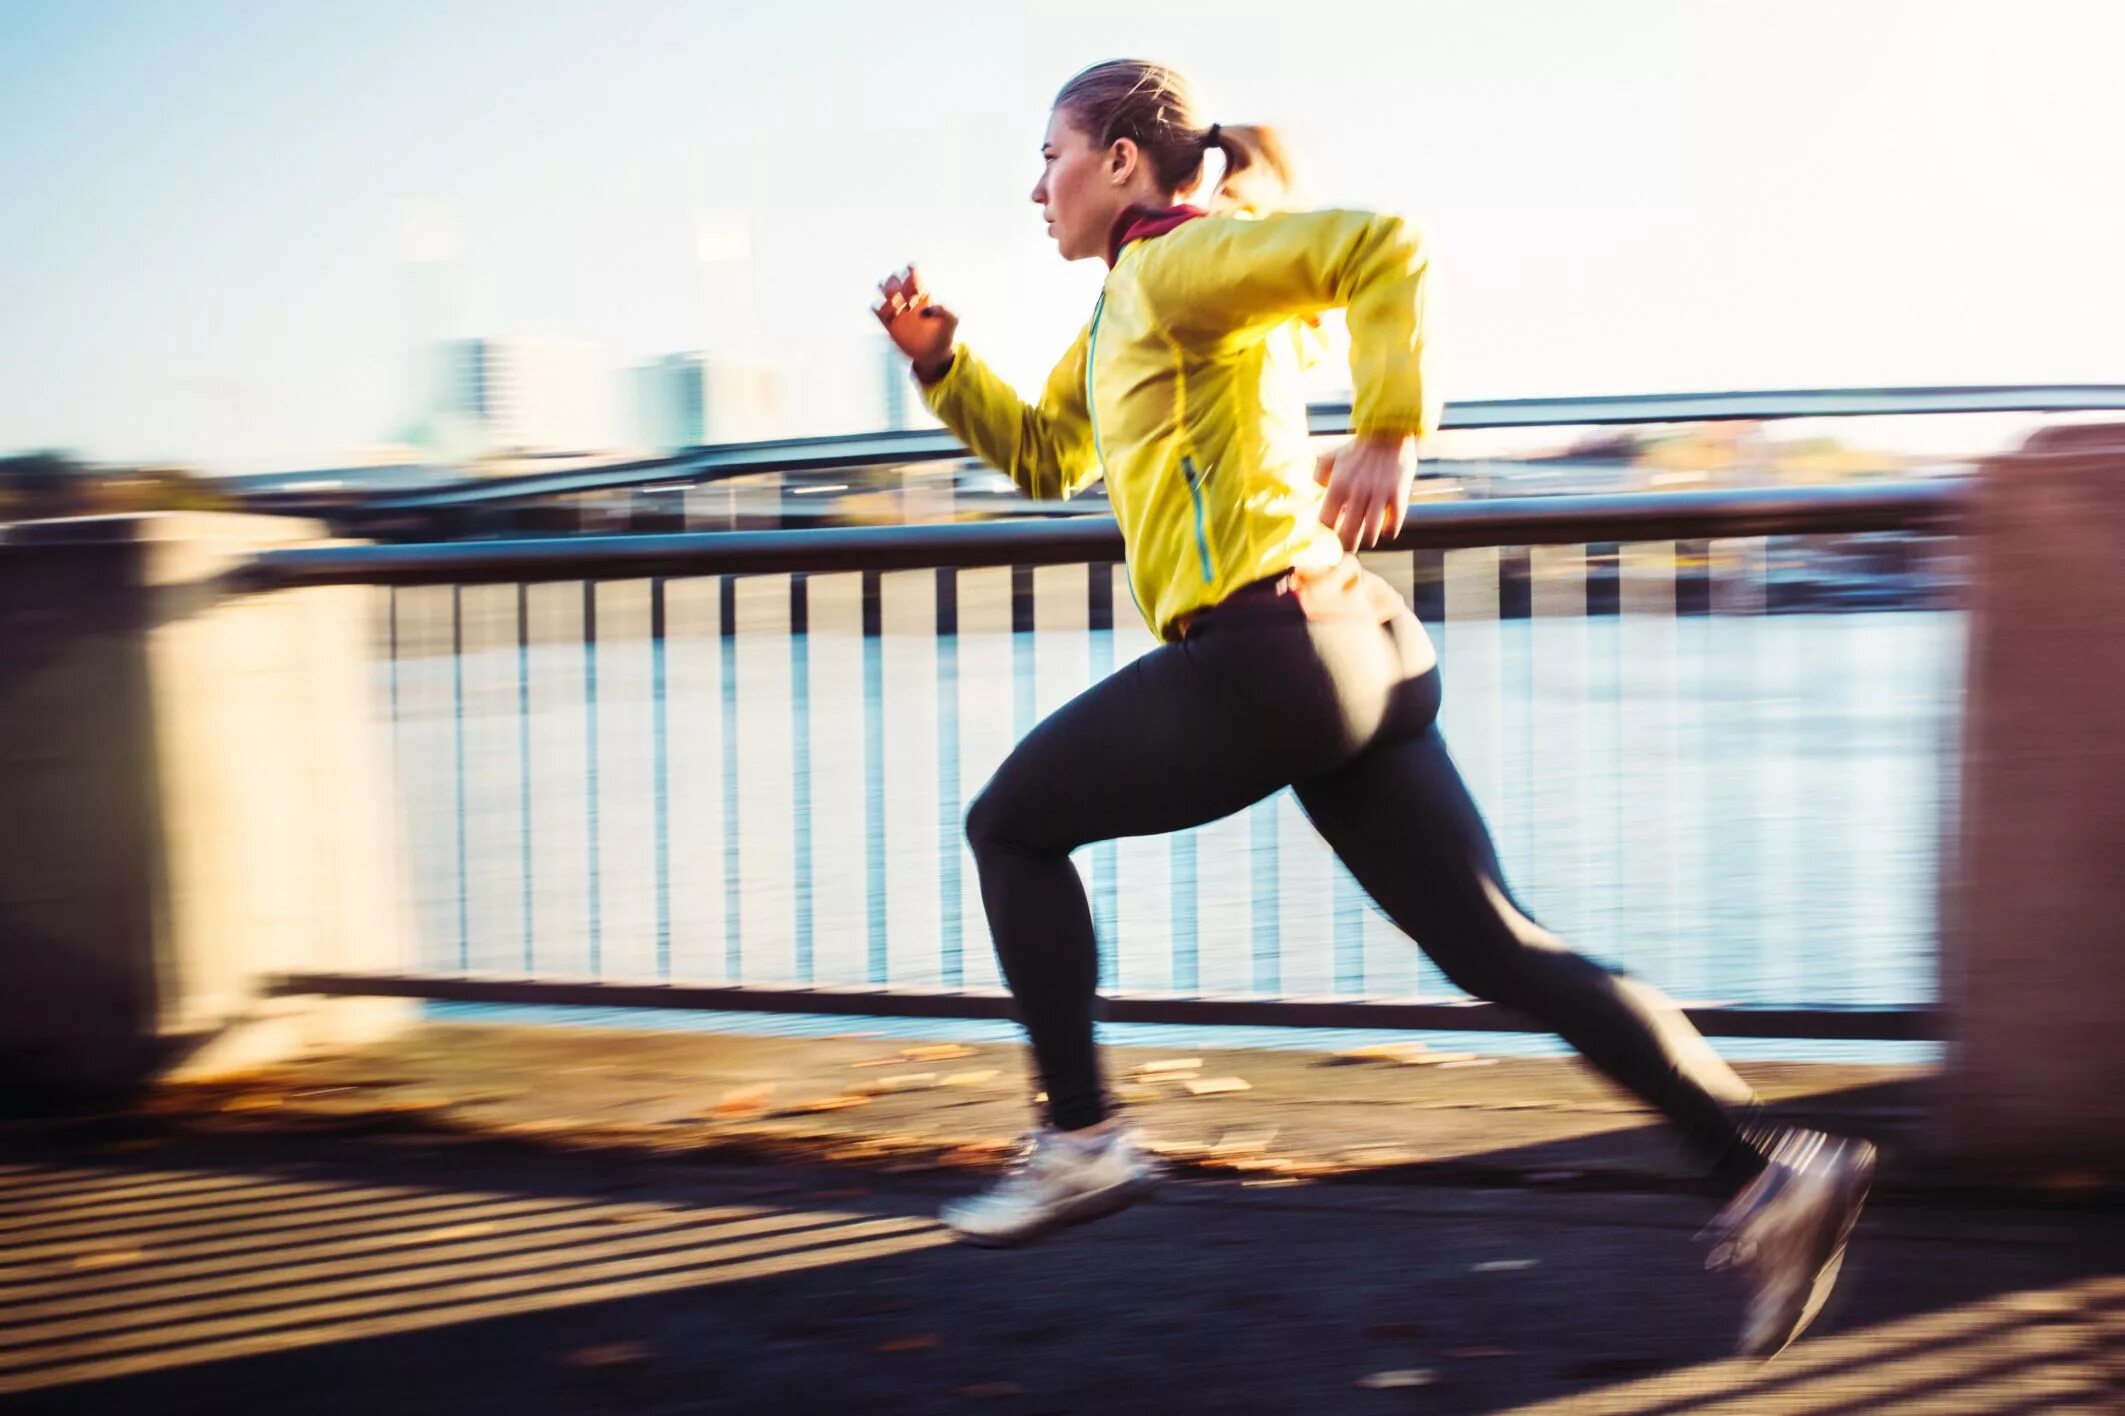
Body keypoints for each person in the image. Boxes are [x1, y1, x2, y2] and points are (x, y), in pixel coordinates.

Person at [873, 58, 1873, 1359]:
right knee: (1496, 948)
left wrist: (1389, 427)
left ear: (1121, 161)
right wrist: (942, 363)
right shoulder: (1129, 304)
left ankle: (1078, 1139)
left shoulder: (1178, 262)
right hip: (1353, 645)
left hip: (1269, 648)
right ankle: (1764, 1170)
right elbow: (1052, 456)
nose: (1033, 186)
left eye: (1051, 153)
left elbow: (1380, 246)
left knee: (1010, 826)